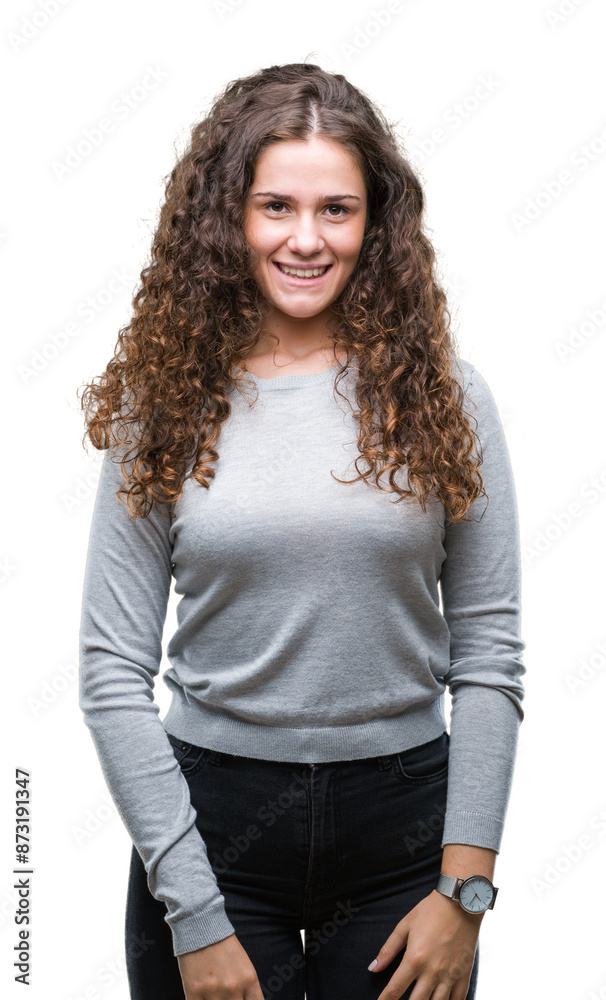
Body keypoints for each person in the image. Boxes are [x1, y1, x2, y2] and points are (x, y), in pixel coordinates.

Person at [77, 62, 526, 1000]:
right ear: (226, 217)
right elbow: (111, 670)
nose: (307, 239)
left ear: (377, 224)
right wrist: (193, 917)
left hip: (405, 837)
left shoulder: (448, 396)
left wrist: (465, 890)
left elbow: (488, 651)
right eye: (275, 205)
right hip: (211, 836)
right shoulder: (162, 403)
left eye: (338, 209)